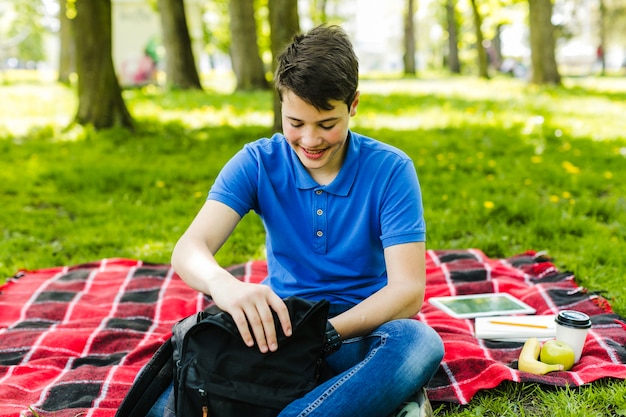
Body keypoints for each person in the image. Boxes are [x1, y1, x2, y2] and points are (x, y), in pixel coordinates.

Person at [150, 24, 444, 417]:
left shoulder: (390, 170)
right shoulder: (258, 162)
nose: (310, 140)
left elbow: (408, 292)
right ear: (282, 106)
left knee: (418, 342)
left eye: (327, 124)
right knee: (161, 395)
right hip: (280, 333)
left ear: (353, 104)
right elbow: (190, 249)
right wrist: (224, 285)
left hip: (358, 333)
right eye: (295, 123)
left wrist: (323, 337)